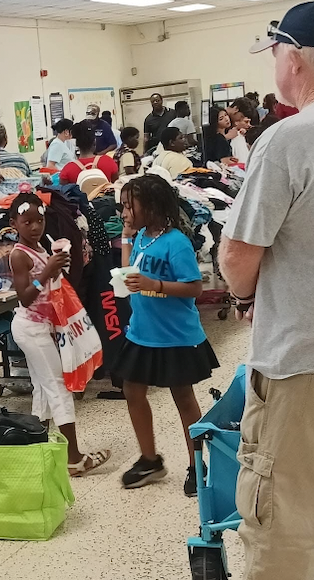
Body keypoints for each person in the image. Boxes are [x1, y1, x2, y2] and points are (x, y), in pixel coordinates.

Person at [219, 0, 314, 580]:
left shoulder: (290, 140)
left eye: (273, 51)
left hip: (307, 371)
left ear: (293, 57)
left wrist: (249, 294)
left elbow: (238, 261)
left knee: (283, 544)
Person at [117, 175, 218, 495]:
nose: (124, 213)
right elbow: (127, 274)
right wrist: (125, 240)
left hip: (175, 337)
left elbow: (195, 287)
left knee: (183, 397)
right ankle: (150, 460)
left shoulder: (176, 242)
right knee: (133, 390)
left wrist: (154, 285)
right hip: (142, 333)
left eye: (129, 206)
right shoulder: (140, 238)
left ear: (152, 206)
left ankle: (196, 464)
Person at [8, 192, 111, 476]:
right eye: (27, 222)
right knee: (59, 388)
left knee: (43, 391)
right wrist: (47, 273)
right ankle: (73, 458)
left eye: (39, 221)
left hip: (43, 327)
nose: (34, 227)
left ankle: (41, 453)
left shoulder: (42, 247)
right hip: (30, 328)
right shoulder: (19, 255)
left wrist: (56, 268)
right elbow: (26, 297)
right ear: (13, 223)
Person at [59, 121, 119, 186]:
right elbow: (116, 185)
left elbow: (63, 191)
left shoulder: (68, 169)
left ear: (76, 145)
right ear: (94, 142)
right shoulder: (109, 162)